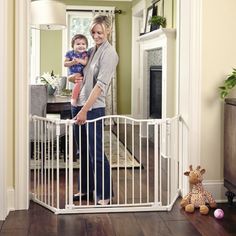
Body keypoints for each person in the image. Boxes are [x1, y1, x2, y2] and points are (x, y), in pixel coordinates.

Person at [72, 15, 119, 205]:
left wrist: (84, 110)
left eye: (99, 32)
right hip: (80, 106)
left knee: (96, 151)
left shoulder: (110, 54)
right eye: (93, 32)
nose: (96, 35)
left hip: (93, 109)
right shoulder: (91, 51)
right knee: (82, 151)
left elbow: (100, 86)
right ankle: (86, 189)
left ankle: (105, 194)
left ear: (108, 31)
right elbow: (83, 73)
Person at [64, 34, 89, 106]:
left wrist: (79, 60)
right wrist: (73, 62)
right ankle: (73, 98)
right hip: (73, 74)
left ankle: (75, 97)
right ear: (73, 46)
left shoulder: (85, 54)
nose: (81, 46)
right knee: (78, 79)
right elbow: (65, 64)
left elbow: (85, 62)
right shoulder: (70, 53)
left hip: (82, 75)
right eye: (78, 44)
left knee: (79, 83)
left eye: (83, 44)